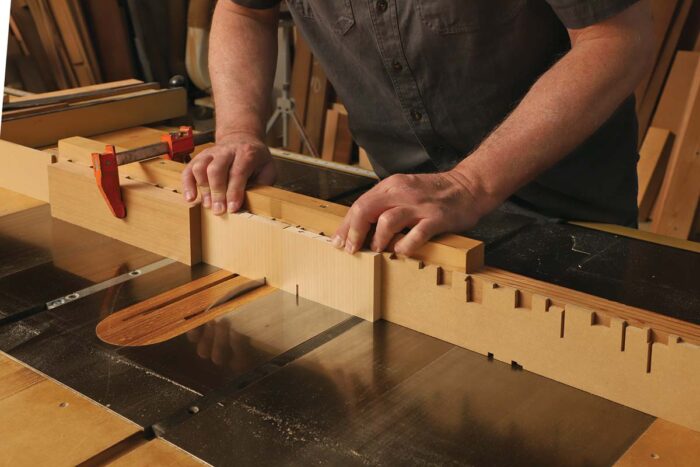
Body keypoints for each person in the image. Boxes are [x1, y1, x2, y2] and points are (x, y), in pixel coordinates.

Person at [182, 0, 653, 256]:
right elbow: (244, 10)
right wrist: (238, 131)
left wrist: (468, 184)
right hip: (408, 222)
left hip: (567, 218)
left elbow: (616, 41)